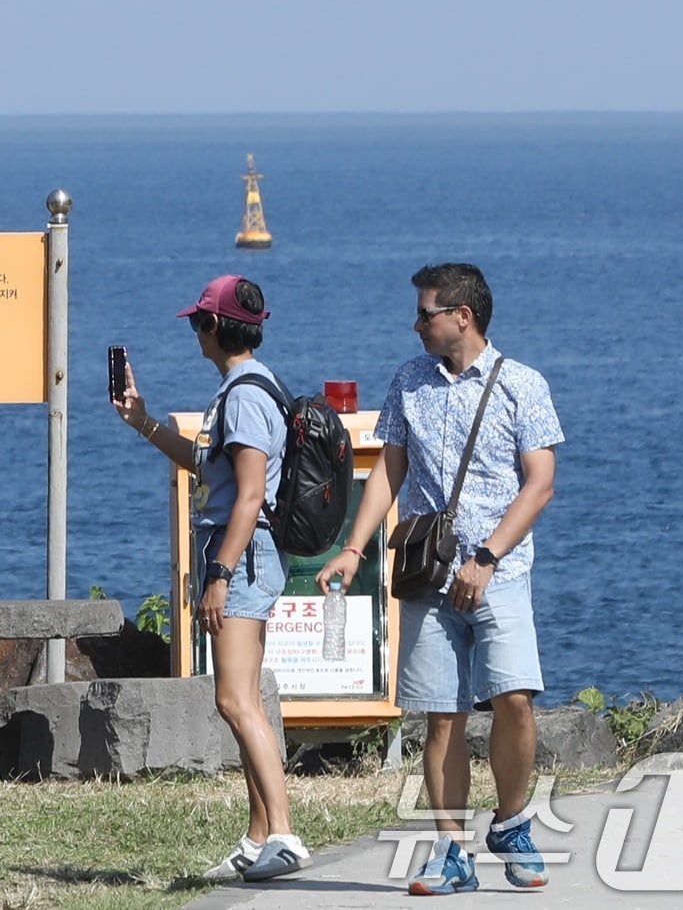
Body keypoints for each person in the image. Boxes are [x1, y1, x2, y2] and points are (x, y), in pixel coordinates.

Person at [317, 263, 564, 896]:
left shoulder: (523, 386)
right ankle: (451, 849)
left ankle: (511, 823)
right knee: (442, 716)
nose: (415, 324)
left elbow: (539, 484)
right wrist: (353, 549)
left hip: (499, 572)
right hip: (428, 572)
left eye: (425, 313)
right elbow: (388, 474)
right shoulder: (408, 381)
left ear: (463, 315)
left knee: (515, 697)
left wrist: (487, 557)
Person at [112, 274, 312, 883]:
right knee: (244, 700)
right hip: (245, 556)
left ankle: (283, 833)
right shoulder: (248, 388)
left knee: (231, 698)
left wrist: (220, 574)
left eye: (199, 322)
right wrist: (144, 422)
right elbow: (209, 466)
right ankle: (258, 836)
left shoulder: (245, 395)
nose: (195, 332)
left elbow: (249, 494)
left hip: (242, 559)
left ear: (216, 328)